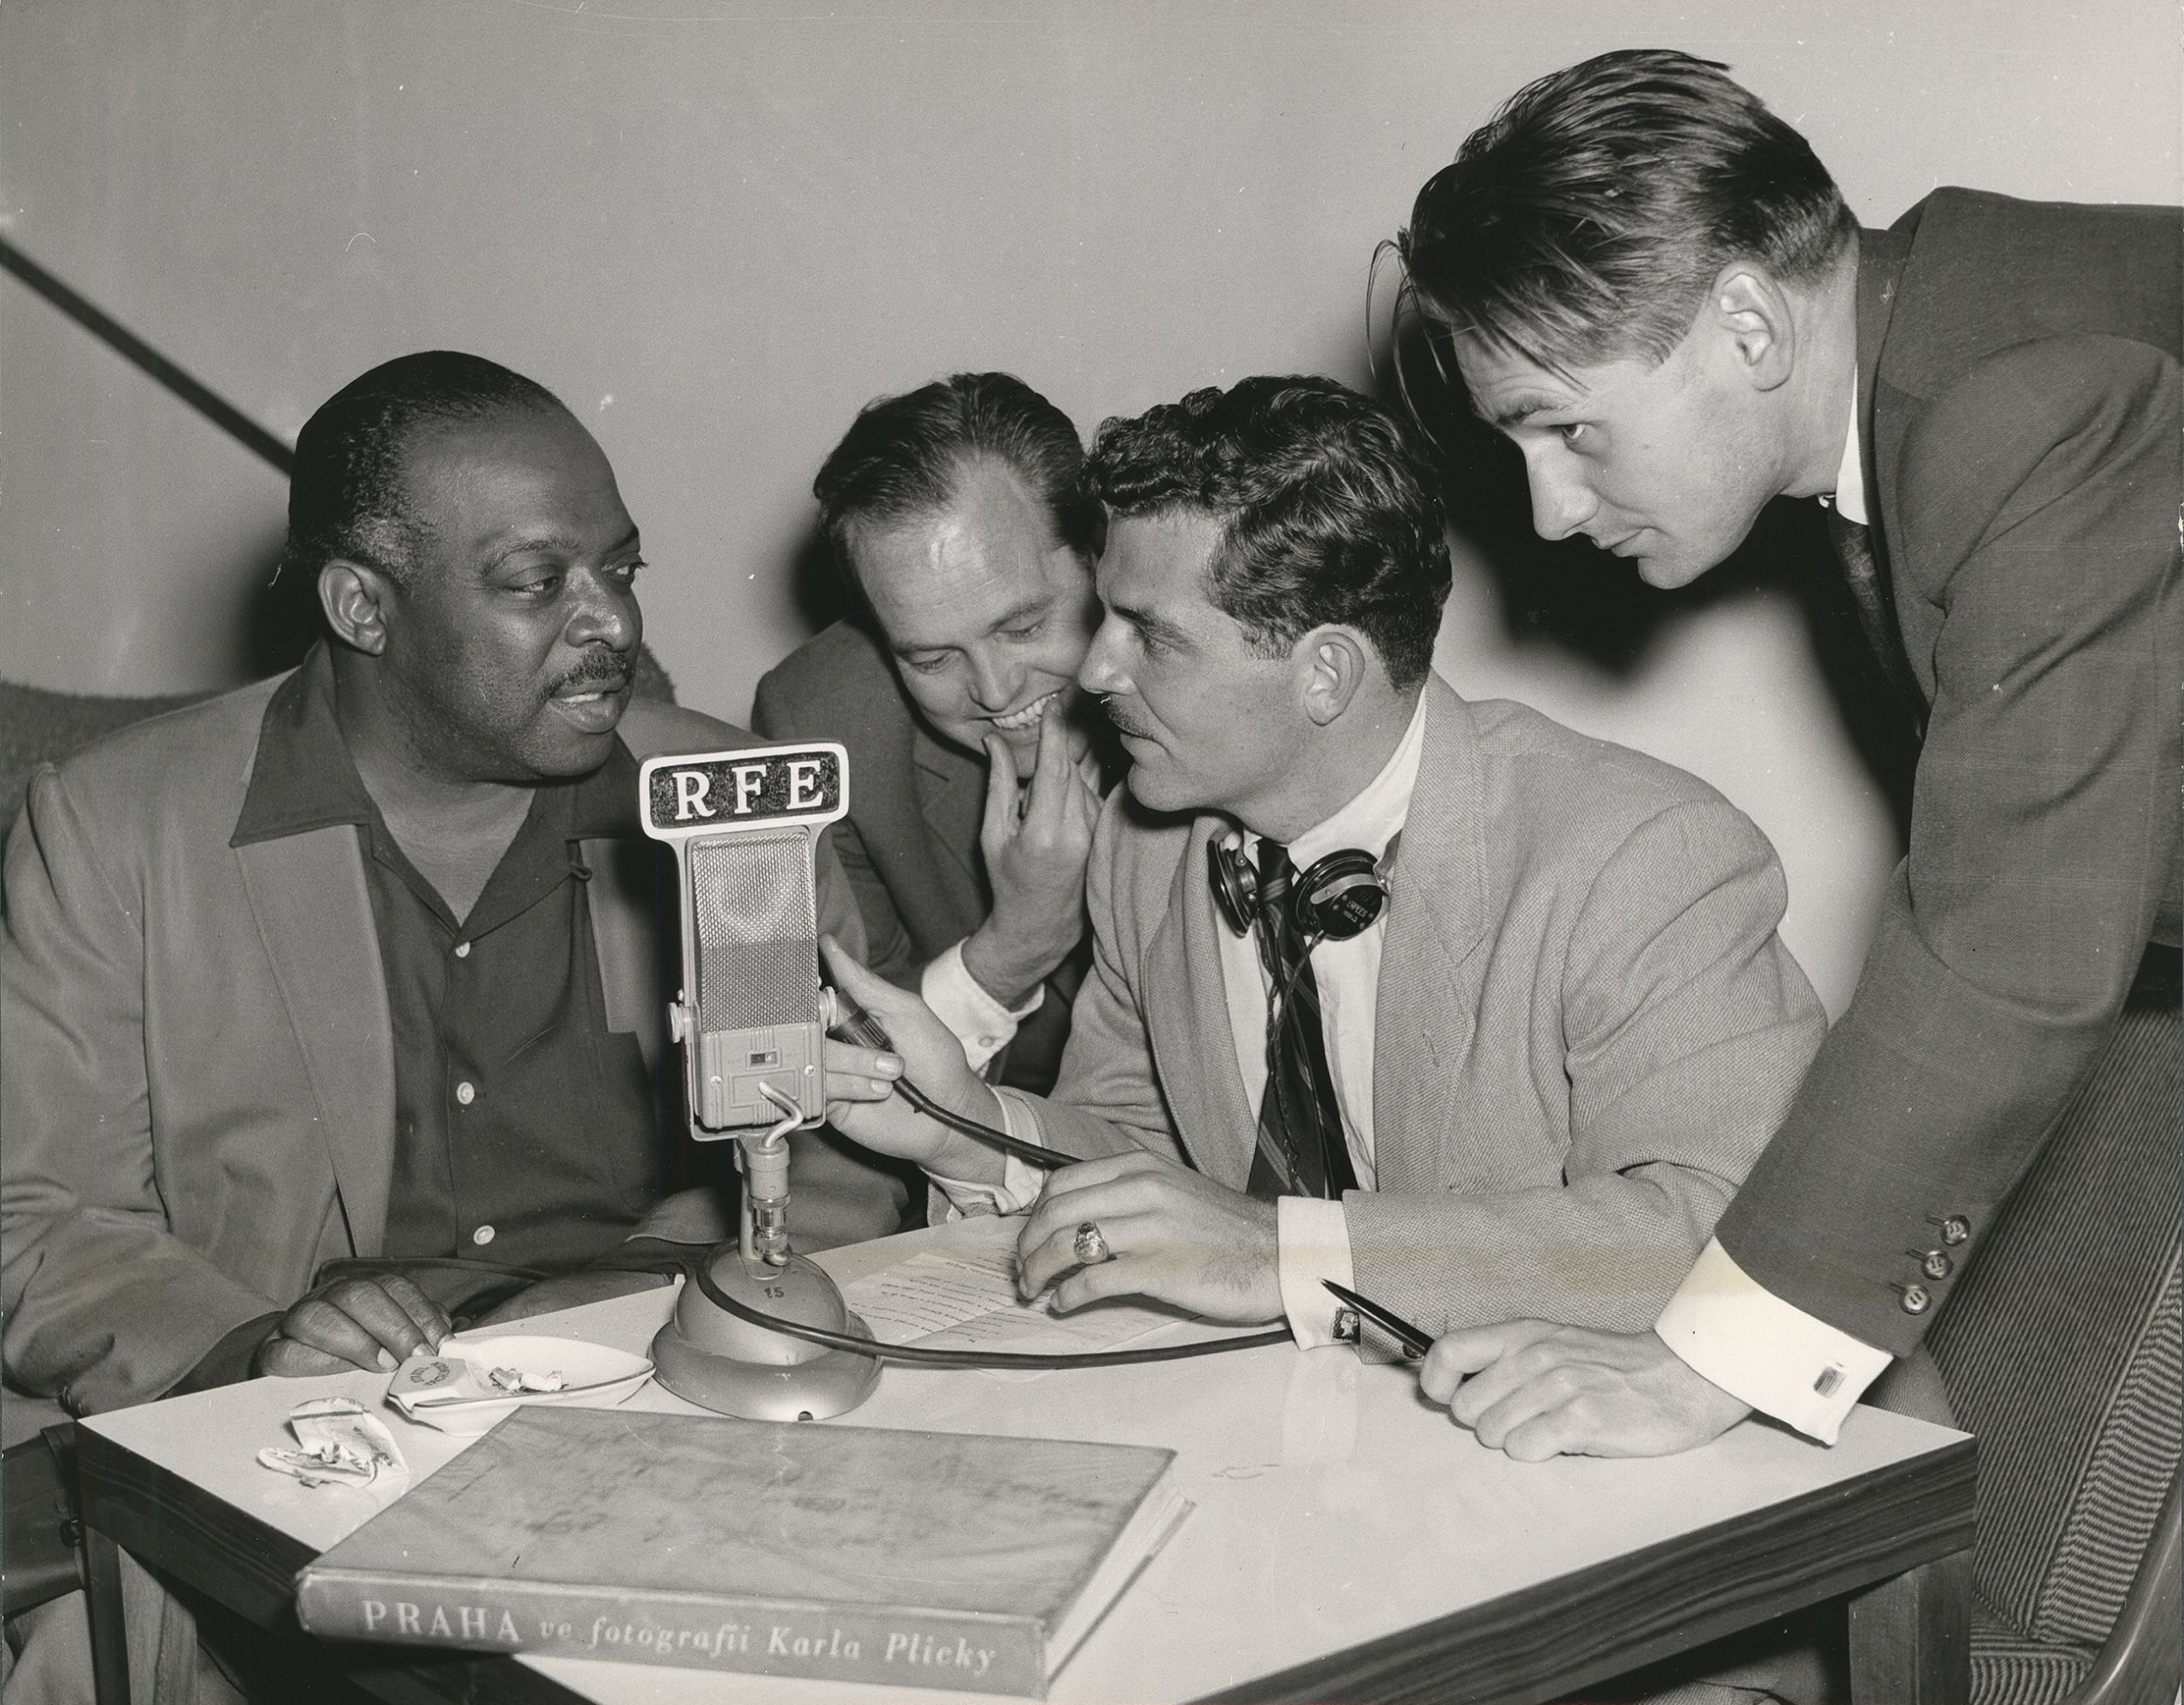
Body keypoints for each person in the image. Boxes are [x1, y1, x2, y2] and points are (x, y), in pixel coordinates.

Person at [0, 349, 914, 1705]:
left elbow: (841, 1160)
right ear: (363, 605)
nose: (610, 621)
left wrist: (629, 1307)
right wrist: (255, 1347)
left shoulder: (722, 800)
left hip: (654, 1413)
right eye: (540, 583)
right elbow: (37, 1214)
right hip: (273, 1446)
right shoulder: (116, 823)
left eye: (623, 566)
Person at [1393, 50, 2181, 1458]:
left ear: (1749, 324)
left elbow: (2011, 935)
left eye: (1569, 428)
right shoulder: (1921, 366)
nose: (1553, 511)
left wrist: (1706, 1365)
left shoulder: (2013, 405)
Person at [820, 375, 1828, 1350]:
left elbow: (1727, 1232)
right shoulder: (1144, 845)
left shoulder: (1638, 858)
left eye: (1150, 637)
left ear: (1325, 673)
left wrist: (1285, 1254)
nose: (1093, 669)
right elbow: (1146, 1158)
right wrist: (967, 1124)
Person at [753, 373, 1108, 1095]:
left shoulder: (1217, 667)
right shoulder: (826, 728)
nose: (996, 691)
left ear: (1101, 558)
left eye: (1024, 626)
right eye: (930, 658)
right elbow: (845, 1058)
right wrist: (1010, 950)